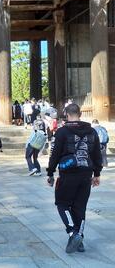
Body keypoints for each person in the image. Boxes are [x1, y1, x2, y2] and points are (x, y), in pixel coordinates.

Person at [47, 103, 102, 254]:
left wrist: (50, 172)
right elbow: (97, 154)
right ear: (80, 114)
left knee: (62, 203)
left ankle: (73, 232)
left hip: (68, 174)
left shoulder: (62, 132)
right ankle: (80, 239)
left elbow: (55, 154)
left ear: (67, 114)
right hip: (86, 174)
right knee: (80, 206)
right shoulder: (92, 131)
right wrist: (97, 173)